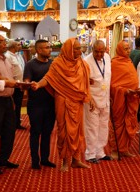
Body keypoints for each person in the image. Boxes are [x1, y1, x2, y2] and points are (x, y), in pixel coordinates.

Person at [31, 38, 95, 172]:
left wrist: (91, 99)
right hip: (63, 100)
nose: (79, 51)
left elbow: (85, 84)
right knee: (64, 131)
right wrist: (38, 84)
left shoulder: (82, 65)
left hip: (77, 101)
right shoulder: (57, 64)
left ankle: (76, 160)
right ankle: (66, 161)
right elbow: (48, 78)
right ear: (68, 50)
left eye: (80, 48)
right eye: (76, 48)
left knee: (77, 131)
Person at [23, 39, 56, 169]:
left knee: (47, 133)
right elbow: (27, 80)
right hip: (35, 104)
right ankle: (35, 160)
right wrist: (27, 84)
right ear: (39, 50)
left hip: (51, 104)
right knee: (36, 132)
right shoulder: (30, 65)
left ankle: (45, 159)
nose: (49, 49)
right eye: (47, 47)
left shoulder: (53, 64)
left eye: (49, 47)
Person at [109, 40, 140, 159]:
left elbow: (132, 79)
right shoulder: (114, 63)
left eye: (129, 48)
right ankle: (115, 149)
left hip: (132, 98)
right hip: (119, 99)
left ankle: (125, 149)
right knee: (118, 123)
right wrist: (124, 90)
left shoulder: (129, 62)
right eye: (126, 49)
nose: (128, 51)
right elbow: (111, 85)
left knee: (130, 122)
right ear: (119, 50)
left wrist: (138, 89)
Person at [0, 35, 19, 175]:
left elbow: (11, 79)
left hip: (8, 99)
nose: (5, 45)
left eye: (5, 42)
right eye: (1, 43)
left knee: (9, 131)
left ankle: (3, 158)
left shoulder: (7, 59)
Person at [84, 40, 111, 164]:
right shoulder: (86, 62)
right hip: (92, 100)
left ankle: (100, 152)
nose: (99, 54)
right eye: (97, 51)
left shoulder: (107, 58)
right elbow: (84, 83)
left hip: (105, 98)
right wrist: (89, 98)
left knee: (104, 126)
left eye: (102, 51)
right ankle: (90, 154)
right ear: (92, 49)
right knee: (92, 127)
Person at [5, 39, 26, 130]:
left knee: (18, 104)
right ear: (13, 46)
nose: (20, 46)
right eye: (18, 45)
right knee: (14, 105)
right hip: (13, 84)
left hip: (20, 84)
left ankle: (17, 122)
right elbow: (8, 71)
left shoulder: (18, 55)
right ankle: (13, 123)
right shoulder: (7, 56)